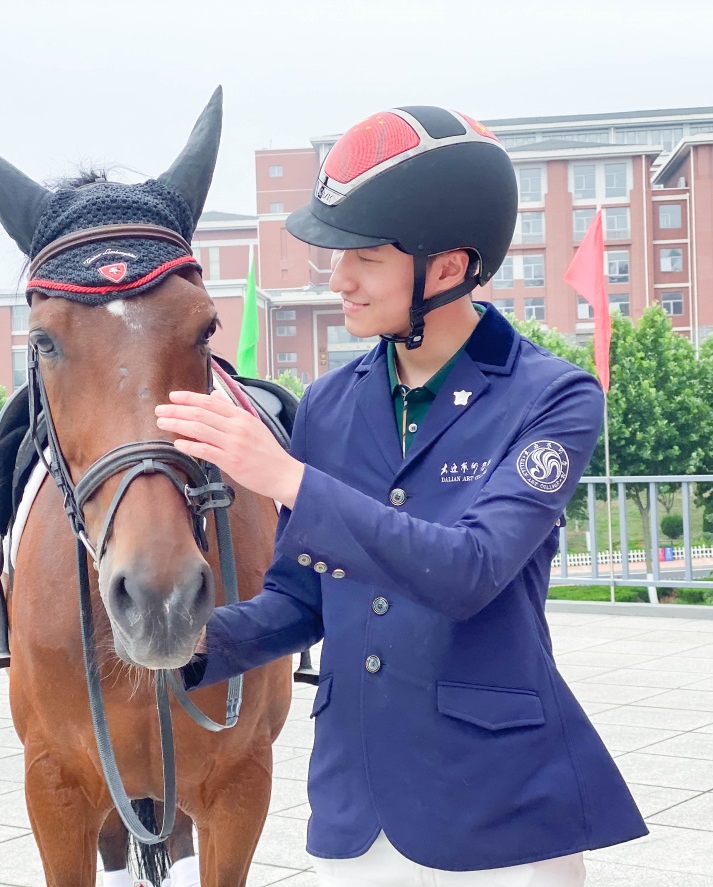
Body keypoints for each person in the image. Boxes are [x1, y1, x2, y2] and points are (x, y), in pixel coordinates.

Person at [155, 105, 646, 886]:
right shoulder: (328, 402)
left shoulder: (551, 397)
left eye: (365, 258)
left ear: (446, 268)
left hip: (497, 803)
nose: (337, 277)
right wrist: (188, 642)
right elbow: (302, 596)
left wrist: (284, 476)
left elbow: (471, 569)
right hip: (355, 801)